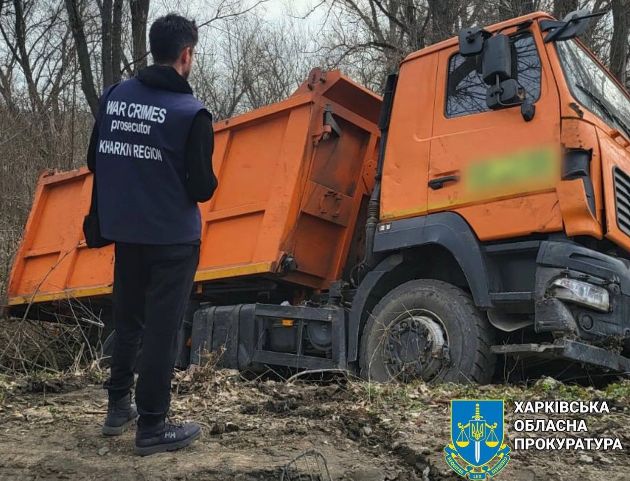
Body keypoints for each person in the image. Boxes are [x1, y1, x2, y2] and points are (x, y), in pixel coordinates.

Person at [86, 13, 217, 456]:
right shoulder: (191, 114)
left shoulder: (114, 98)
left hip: (127, 233)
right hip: (173, 242)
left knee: (128, 322)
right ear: (186, 55)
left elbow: (95, 159)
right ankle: (153, 427)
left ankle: (117, 407)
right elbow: (202, 187)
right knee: (162, 330)